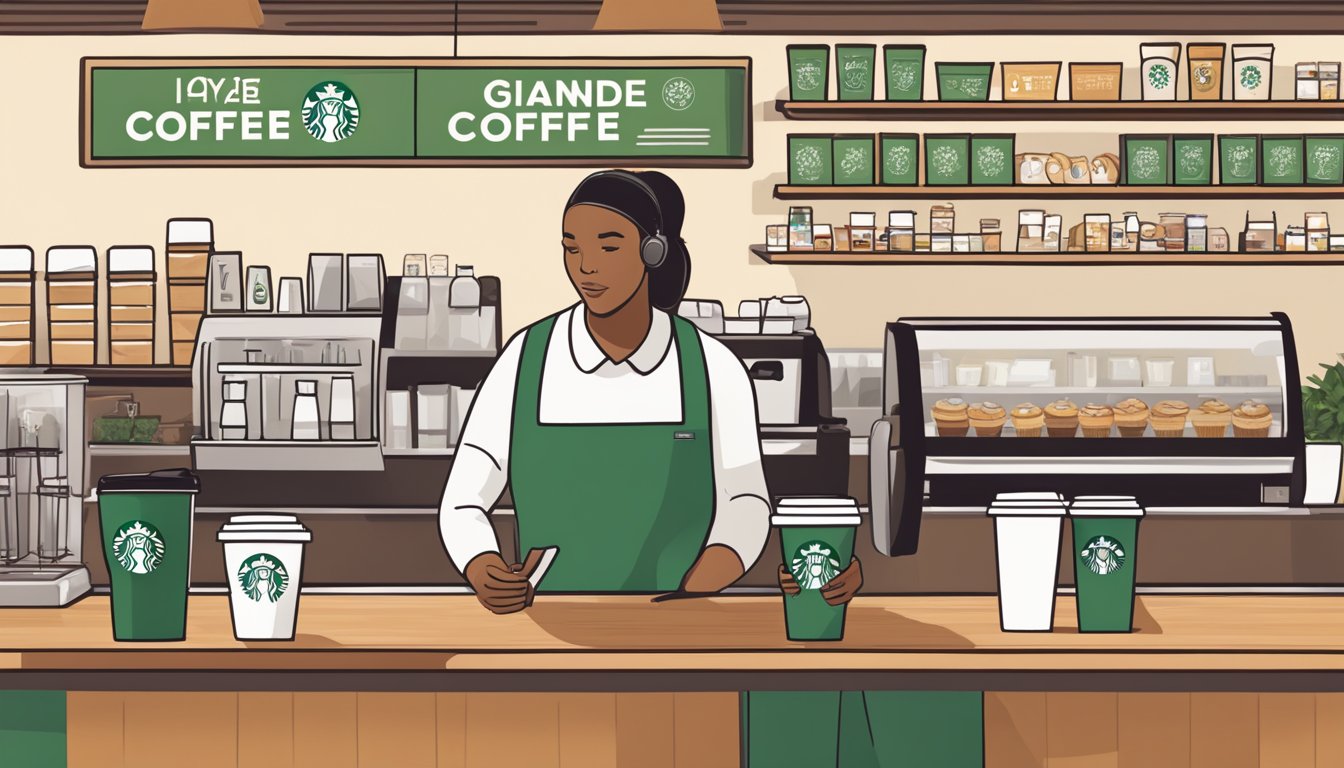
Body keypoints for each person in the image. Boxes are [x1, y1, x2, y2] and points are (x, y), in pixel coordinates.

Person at [438, 168, 778, 602]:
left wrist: (693, 590)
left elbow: (747, 504)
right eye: (571, 248)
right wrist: (485, 567)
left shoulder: (712, 366)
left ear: (652, 251)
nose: (586, 266)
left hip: (679, 624)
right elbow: (463, 501)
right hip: (549, 631)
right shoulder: (526, 359)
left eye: (609, 246)